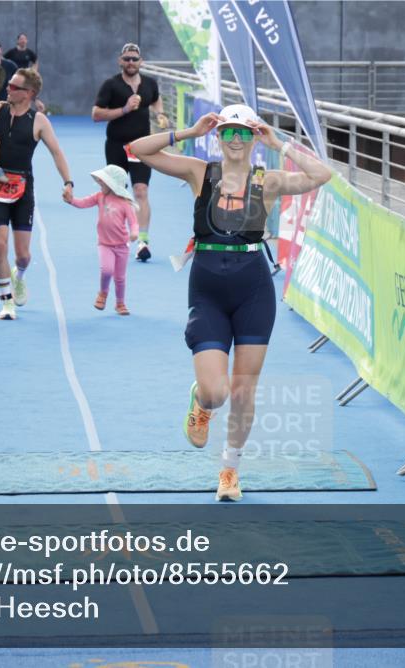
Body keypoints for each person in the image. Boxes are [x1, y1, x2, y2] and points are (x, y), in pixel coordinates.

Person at [130, 104, 331, 501]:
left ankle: (229, 469)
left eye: (244, 133)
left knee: (242, 391)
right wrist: (188, 132)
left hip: (253, 288)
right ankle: (202, 402)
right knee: (216, 392)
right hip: (207, 287)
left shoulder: (268, 180)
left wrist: (280, 143)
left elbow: (321, 175)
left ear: (253, 138)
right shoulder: (199, 172)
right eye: (229, 132)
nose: (236, 139)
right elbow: (139, 149)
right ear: (218, 136)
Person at [0, 69, 73, 321]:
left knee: (23, 254)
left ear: (29, 93)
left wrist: (68, 181)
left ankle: (19, 276)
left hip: (23, 186)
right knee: (0, 242)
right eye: (9, 85)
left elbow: (57, 152)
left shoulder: (39, 121)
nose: (8, 89)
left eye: (14, 86)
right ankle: (6, 302)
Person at [91, 42, 169, 262]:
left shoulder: (149, 84)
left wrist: (160, 114)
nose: (131, 62)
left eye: (135, 59)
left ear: (141, 61)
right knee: (116, 194)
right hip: (116, 145)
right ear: (120, 61)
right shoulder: (111, 85)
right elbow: (96, 114)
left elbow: (155, 99)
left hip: (142, 147)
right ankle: (117, 236)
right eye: (127, 59)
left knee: (141, 190)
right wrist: (124, 109)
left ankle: (143, 241)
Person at [66, 165, 139, 316]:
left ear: (113, 185)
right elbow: (83, 203)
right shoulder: (100, 197)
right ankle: (103, 293)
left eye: (103, 182)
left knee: (120, 277)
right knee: (106, 270)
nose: (100, 184)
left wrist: (134, 233)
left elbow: (133, 222)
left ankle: (120, 303)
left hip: (122, 247)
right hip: (105, 244)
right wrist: (71, 200)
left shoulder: (125, 203)